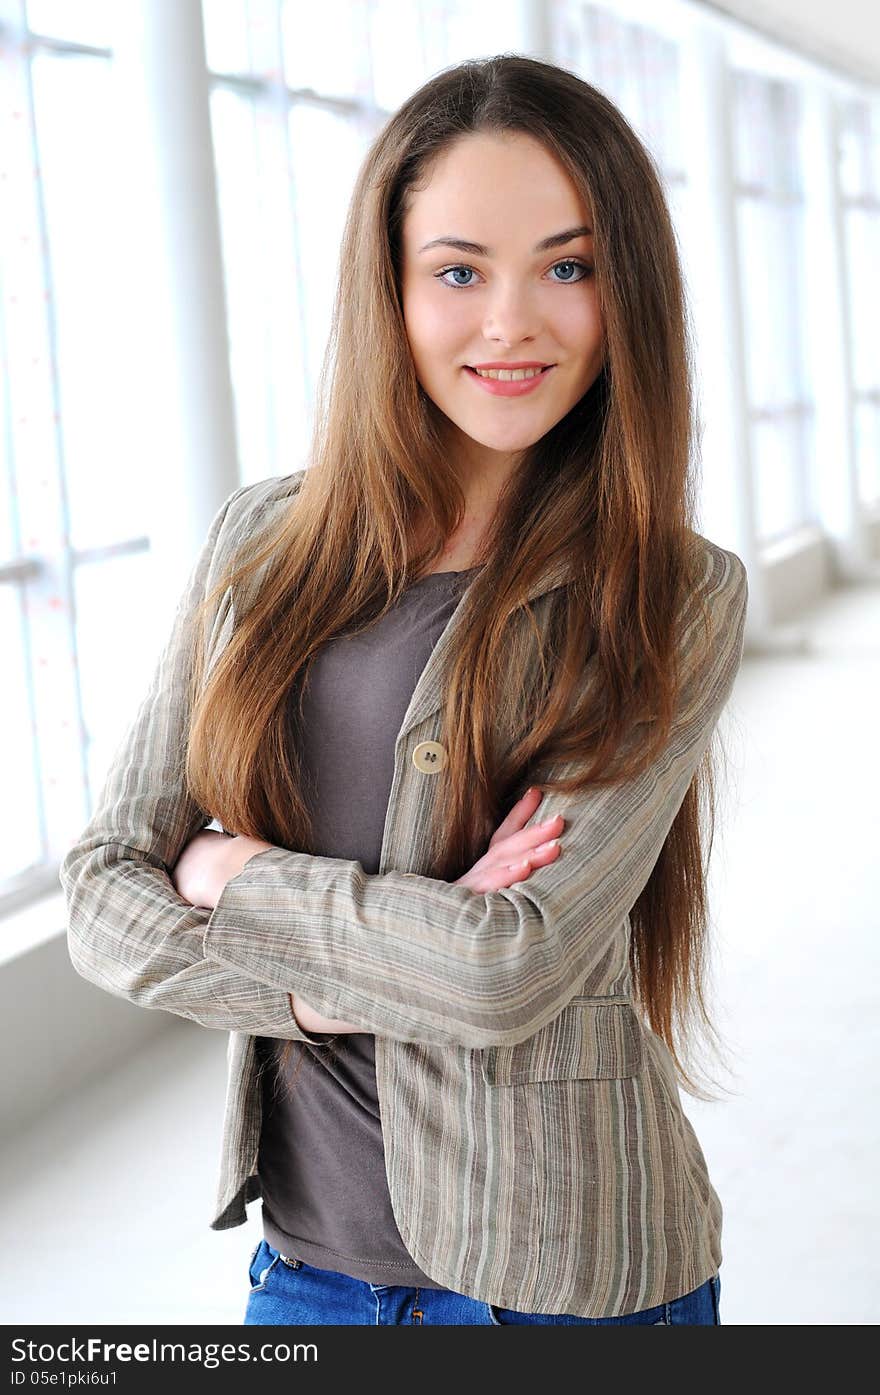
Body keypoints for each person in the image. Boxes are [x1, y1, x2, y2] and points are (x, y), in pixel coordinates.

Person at [60, 54, 746, 1327]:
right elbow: (103, 888)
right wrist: (317, 989)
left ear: (626, 289)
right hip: (307, 1274)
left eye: (568, 266)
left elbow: (504, 972)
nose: (510, 323)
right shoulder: (258, 547)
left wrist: (235, 878)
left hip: (570, 1281)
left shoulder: (670, 594)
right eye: (457, 270)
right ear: (390, 289)